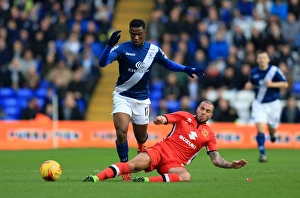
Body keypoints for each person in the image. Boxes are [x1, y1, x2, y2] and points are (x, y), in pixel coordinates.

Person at [98, 19, 205, 181]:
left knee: (141, 137)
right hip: (122, 96)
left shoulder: (153, 50)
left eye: (139, 34)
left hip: (142, 100)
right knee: (121, 131)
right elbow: (102, 62)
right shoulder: (122, 48)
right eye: (133, 34)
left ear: (145, 33)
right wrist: (108, 46)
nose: (136, 37)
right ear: (129, 33)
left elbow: (167, 64)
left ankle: (142, 148)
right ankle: (125, 167)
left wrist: (186, 69)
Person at [83, 101, 248, 183]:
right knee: (133, 165)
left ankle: (146, 181)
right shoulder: (184, 116)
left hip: (175, 162)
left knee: (185, 175)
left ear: (211, 115)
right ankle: (96, 178)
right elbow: (165, 117)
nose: (203, 112)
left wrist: (231, 165)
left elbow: (215, 159)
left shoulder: (209, 135)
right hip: (160, 151)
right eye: (201, 108)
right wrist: (160, 119)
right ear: (197, 108)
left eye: (207, 111)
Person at [246, 50, 288, 162]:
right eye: (260, 57)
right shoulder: (253, 72)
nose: (262, 59)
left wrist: (272, 84)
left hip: (273, 104)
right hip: (259, 104)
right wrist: (248, 86)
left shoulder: (274, 71)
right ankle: (262, 153)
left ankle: (273, 134)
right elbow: (252, 83)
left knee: (272, 128)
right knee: (260, 128)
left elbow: (285, 83)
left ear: (268, 59)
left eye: (264, 57)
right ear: (257, 59)